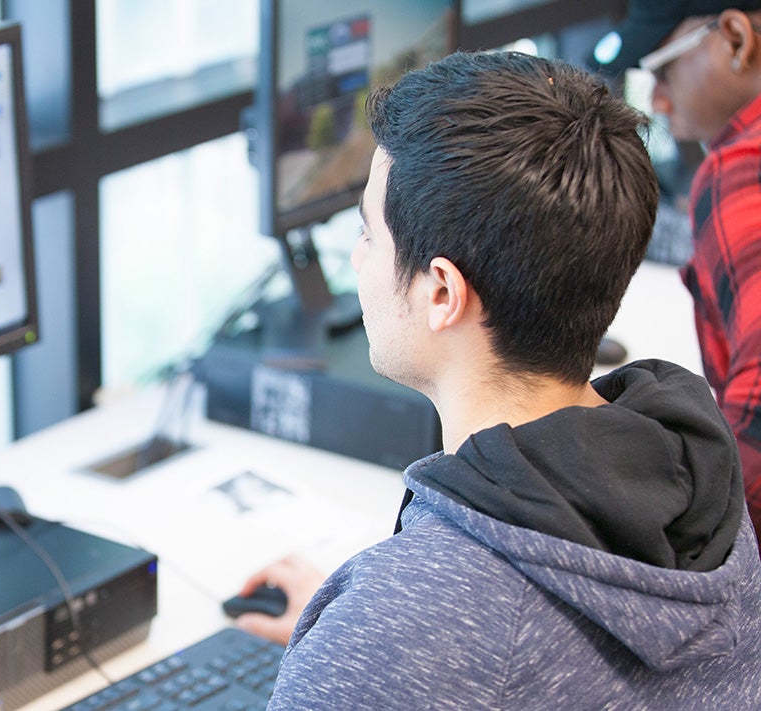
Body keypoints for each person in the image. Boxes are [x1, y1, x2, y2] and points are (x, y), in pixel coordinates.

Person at [242, 51, 761, 709]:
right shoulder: (701, 490)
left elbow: (471, 641)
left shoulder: (399, 641)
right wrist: (380, 629)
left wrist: (374, 642)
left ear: (442, 292)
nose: (357, 257)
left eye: (368, 231)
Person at [594, 0, 761, 555]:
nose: (658, 98)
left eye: (662, 68)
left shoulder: (743, 167)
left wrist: (683, 554)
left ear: (735, 38)